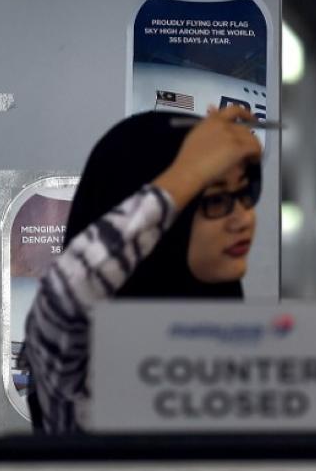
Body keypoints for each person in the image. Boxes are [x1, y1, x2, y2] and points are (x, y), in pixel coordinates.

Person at [21, 106, 262, 433]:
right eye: (216, 200)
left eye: (245, 194)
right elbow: (68, 291)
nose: (244, 218)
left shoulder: (231, 337)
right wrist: (187, 174)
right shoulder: (82, 349)